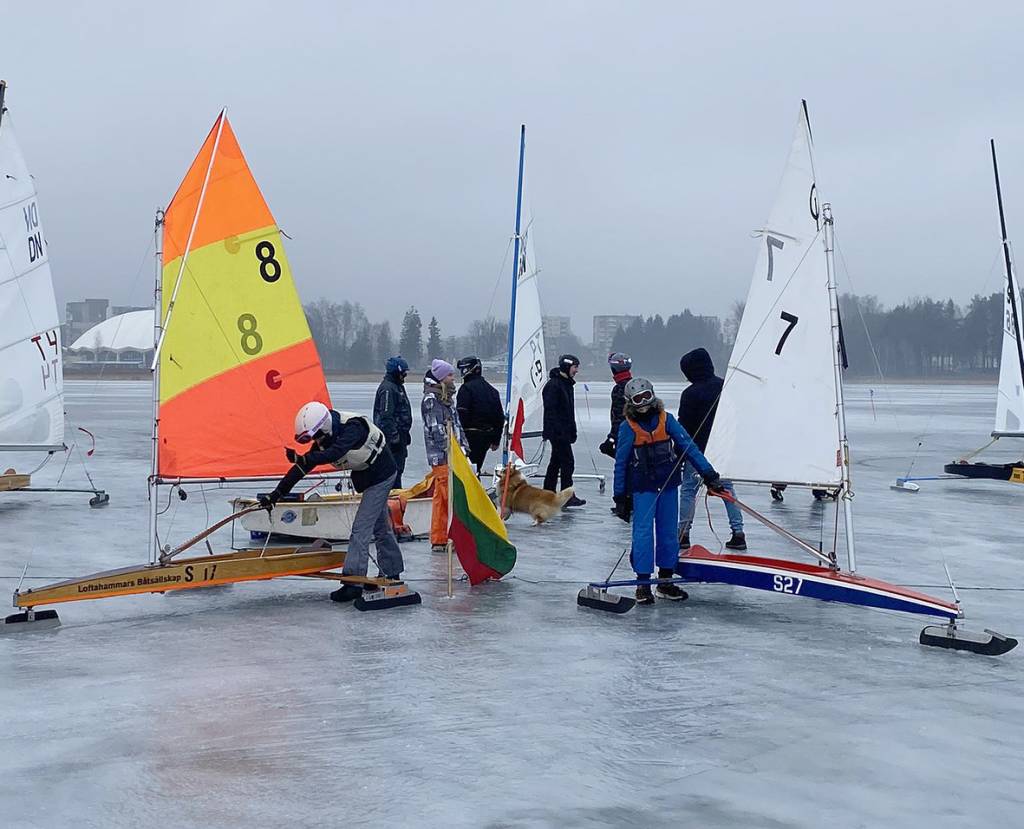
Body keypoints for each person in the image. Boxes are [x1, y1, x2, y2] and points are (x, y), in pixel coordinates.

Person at [258, 401, 404, 603]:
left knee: (361, 529)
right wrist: (276, 495)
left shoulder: (352, 428)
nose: (316, 441)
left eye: (317, 436)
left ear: (324, 427)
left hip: (382, 475)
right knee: (380, 527)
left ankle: (353, 583)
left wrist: (304, 459)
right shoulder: (323, 439)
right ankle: (392, 572)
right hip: (367, 476)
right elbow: (302, 469)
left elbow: (335, 452)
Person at [613, 377, 725, 605]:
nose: (643, 402)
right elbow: (620, 463)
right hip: (643, 490)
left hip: (667, 486)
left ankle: (665, 581)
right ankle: (642, 584)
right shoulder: (628, 427)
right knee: (643, 535)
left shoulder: (667, 420)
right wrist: (620, 496)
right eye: (638, 399)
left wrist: (709, 474)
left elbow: (689, 446)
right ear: (630, 402)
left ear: (653, 396)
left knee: (667, 534)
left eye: (646, 397)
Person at [677, 348, 745, 550]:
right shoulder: (725, 387)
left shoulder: (690, 394)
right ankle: (738, 532)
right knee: (726, 489)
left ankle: (683, 533)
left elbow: (684, 427)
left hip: (697, 453)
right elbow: (734, 419)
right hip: (721, 450)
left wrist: (679, 454)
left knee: (689, 490)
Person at [422, 359, 469, 551]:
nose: (453, 378)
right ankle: (440, 537)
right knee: (443, 498)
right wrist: (449, 451)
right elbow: (436, 429)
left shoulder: (446, 399)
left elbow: (456, 425)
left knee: (449, 497)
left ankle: (447, 535)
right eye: (450, 375)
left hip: (454, 456)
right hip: (442, 458)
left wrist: (464, 447)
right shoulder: (431, 401)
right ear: (442, 377)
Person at [542, 353, 586, 507]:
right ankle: (567, 496)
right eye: (575, 367)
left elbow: (567, 412)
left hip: (563, 432)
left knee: (556, 462)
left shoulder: (566, 384)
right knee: (568, 462)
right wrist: (557, 432)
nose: (577, 371)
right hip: (558, 433)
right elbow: (551, 411)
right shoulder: (554, 385)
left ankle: (548, 493)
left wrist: (571, 431)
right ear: (567, 367)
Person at [455, 356, 505, 474]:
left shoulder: (466, 389)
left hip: (469, 436)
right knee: (475, 469)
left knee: (467, 472)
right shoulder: (492, 390)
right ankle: (475, 490)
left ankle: (471, 492)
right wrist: (496, 439)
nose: (462, 372)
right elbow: (499, 417)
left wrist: (457, 437)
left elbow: (461, 415)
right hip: (486, 437)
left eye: (464, 369)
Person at [373, 355, 413, 489]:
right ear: (397, 372)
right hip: (391, 440)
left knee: (398, 471)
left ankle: (396, 495)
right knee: (392, 472)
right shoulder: (388, 389)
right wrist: (394, 437)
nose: (405, 376)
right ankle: (393, 499)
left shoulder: (397, 386)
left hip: (400, 436)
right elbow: (386, 416)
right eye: (404, 373)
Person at [599, 352, 632, 459]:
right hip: (637, 436)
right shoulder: (633, 385)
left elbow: (619, 417)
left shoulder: (619, 389)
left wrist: (611, 438)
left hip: (624, 436)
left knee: (624, 466)